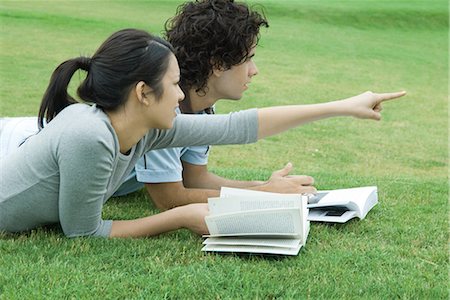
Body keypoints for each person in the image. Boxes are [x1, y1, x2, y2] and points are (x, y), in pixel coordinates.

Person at [0, 28, 405, 239]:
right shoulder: (90, 137)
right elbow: (83, 233)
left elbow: (237, 126)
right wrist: (181, 217)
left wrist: (341, 106)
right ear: (143, 93)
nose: (182, 95)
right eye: (175, 85)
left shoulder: (143, 130)